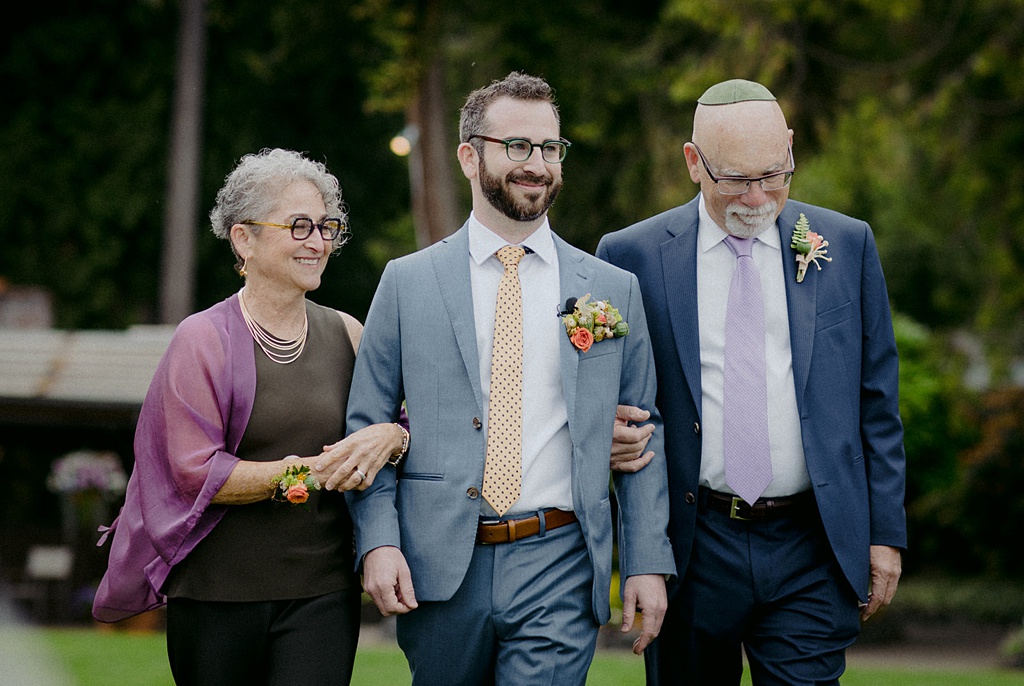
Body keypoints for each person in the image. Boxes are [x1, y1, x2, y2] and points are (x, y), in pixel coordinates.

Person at [344, 71, 675, 685]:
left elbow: (641, 436)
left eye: (550, 149)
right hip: (440, 567)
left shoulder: (609, 289)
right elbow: (369, 425)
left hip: (560, 560)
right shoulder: (406, 283)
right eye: (518, 146)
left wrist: (647, 562)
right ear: (471, 156)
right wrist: (378, 542)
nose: (538, 164)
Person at [597, 79, 907, 685]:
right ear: (694, 162)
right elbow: (609, 397)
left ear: (790, 149)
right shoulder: (630, 255)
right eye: (737, 179)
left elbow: (877, 402)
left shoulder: (846, 244)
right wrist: (602, 426)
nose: (759, 196)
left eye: (775, 173)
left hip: (810, 541)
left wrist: (885, 533)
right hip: (694, 542)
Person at [92, 148, 409, 685]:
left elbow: (406, 423)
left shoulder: (349, 334)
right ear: (244, 239)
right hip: (217, 596)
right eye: (299, 226)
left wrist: (393, 436)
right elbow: (197, 473)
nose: (318, 242)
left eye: (327, 226)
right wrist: (313, 472)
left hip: (323, 592)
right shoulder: (202, 339)